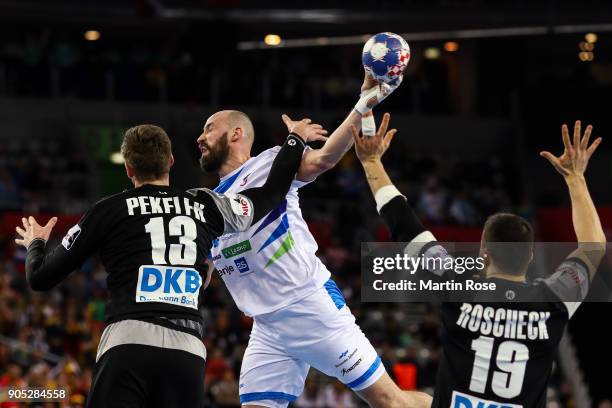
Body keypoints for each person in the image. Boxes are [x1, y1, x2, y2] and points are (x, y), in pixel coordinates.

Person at [14, 122, 322, 408]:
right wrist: (293, 140)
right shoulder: (205, 204)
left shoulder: (107, 210)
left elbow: (40, 277)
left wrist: (35, 244)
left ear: (129, 168)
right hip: (186, 351)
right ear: (172, 161)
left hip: (128, 342)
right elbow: (269, 194)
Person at [197, 74, 431, 408]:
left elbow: (325, 157)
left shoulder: (270, 163)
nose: (199, 137)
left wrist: (365, 101)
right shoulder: (210, 204)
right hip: (267, 329)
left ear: (236, 133)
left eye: (208, 128)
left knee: (391, 402)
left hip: (311, 308)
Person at [352, 115, 607, 407]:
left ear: (484, 252)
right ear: (531, 255)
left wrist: (371, 162)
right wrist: (575, 178)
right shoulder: (554, 301)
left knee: (412, 401)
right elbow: (593, 247)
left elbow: (405, 226)